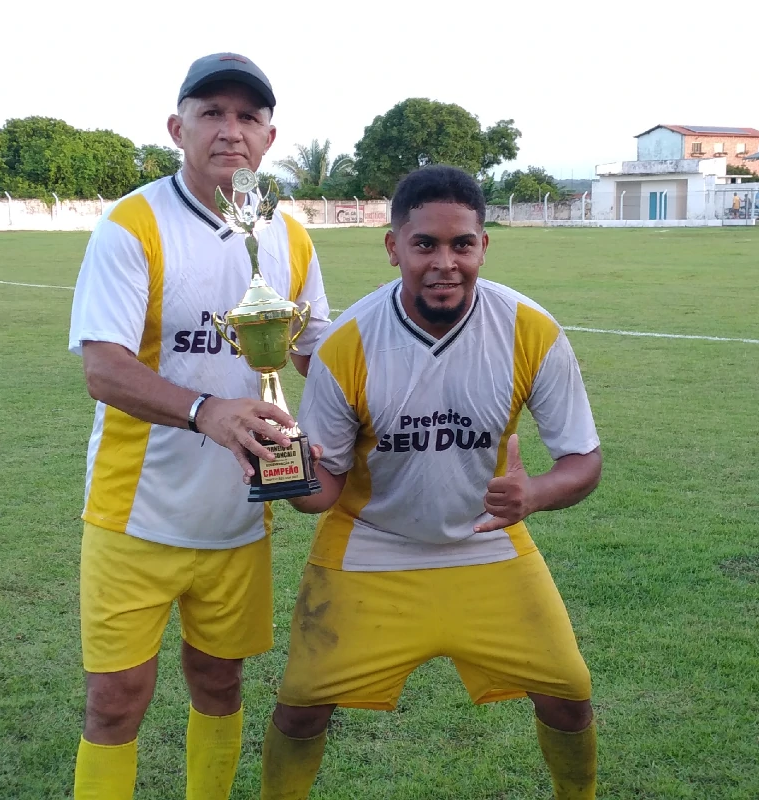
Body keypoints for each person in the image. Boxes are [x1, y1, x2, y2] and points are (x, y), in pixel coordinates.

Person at [259, 165, 603, 800]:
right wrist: (282, 473)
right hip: (372, 544)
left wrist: (535, 495)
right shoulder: (347, 344)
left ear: (482, 246)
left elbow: (584, 459)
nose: (445, 262)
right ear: (394, 247)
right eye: (425, 245)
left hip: (486, 542)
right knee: (303, 705)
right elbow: (325, 492)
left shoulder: (529, 330)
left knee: (570, 693)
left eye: (461, 245)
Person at [67, 52, 331, 800]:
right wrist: (206, 410)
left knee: (220, 682)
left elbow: (317, 351)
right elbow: (104, 368)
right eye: (212, 112)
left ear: (270, 138)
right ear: (177, 127)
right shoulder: (133, 223)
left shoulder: (289, 233)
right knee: (116, 698)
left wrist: (394, 391)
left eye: (248, 116)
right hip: (136, 514)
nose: (230, 130)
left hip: (241, 515)